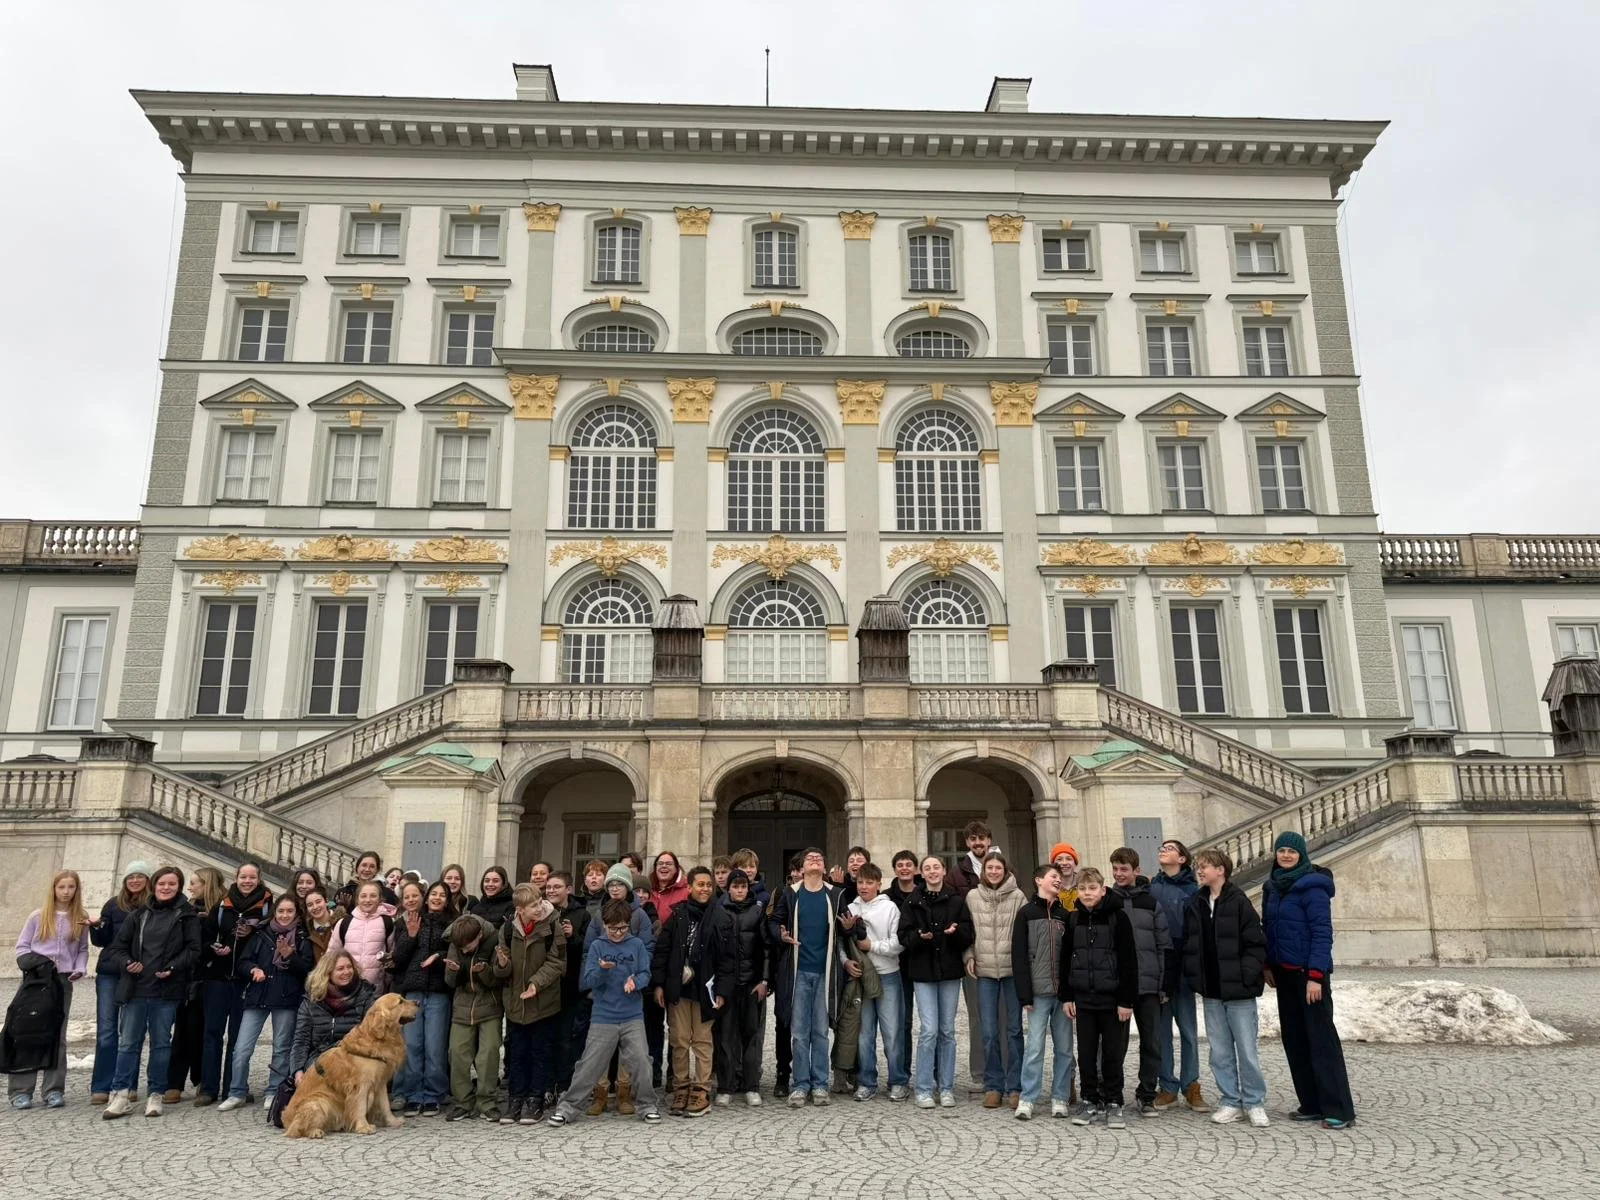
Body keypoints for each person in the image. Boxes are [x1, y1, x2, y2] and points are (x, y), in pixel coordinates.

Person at [1262, 831, 1355, 1130]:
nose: (1286, 855)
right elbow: (1268, 928)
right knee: (1295, 1040)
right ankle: (1311, 1103)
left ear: (1301, 855)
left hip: (1309, 976)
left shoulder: (1314, 888)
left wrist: (1316, 976)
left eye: (1292, 851)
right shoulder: (1272, 887)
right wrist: (1268, 964)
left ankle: (1338, 1108)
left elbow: (1322, 933)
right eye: (1282, 850)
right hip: (1284, 974)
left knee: (1321, 1040)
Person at [547, 899, 661, 1126]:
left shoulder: (637, 945)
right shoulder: (597, 946)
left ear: (628, 924)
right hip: (603, 1016)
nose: (618, 933)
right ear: (605, 925)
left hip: (632, 1015)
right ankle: (568, 1108)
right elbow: (588, 980)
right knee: (589, 1065)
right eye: (613, 928)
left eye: (623, 928)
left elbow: (645, 973)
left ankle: (647, 1106)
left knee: (641, 1061)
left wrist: (635, 982)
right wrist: (601, 970)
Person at [101, 865, 201, 1119]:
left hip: (166, 989)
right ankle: (121, 1093)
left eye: (172, 884)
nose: (166, 888)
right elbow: (117, 948)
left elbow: (193, 950)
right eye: (161, 883)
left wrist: (173, 967)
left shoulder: (186, 915)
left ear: (178, 887)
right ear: (154, 885)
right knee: (128, 1043)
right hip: (136, 988)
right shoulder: (139, 914)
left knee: (161, 1044)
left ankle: (156, 1093)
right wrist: (127, 963)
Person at [1184, 849, 1269, 1128]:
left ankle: (1254, 1102)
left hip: (1239, 991)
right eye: (1198, 866)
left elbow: (1256, 944)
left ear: (1221, 870)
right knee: (1219, 1052)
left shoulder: (1239, 901)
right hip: (1211, 990)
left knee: (1247, 1051)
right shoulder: (1195, 903)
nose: (1199, 870)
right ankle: (1231, 1100)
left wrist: (1245, 975)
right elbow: (1190, 944)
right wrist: (1196, 977)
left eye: (1205, 866)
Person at [1061, 867, 1137, 1130]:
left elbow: (1129, 960)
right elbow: (1065, 959)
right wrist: (1066, 996)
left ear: (1102, 890)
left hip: (1113, 1000)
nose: (1087, 893)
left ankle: (1114, 1101)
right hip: (1084, 999)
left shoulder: (1118, 918)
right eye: (1082, 889)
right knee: (1086, 1054)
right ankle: (1089, 1099)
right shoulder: (1073, 919)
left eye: (1092, 888)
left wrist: (1126, 1000)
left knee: (1112, 1054)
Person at [222, 894, 313, 1110]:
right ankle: (237, 1091)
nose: (285, 915)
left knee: (281, 1047)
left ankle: (274, 1090)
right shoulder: (261, 932)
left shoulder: (302, 936)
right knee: (242, 1048)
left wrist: (290, 956)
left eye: (289, 911)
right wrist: (253, 969)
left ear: (296, 914)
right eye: (281, 911)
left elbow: (308, 970)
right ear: (275, 912)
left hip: (286, 997)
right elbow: (243, 962)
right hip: (258, 994)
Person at [8, 870, 90, 1109]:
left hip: (62, 981)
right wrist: (39, 964)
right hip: (36, 980)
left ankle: (53, 1089)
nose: (66, 892)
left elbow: (82, 949)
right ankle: (21, 1090)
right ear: (53, 889)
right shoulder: (38, 916)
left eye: (71, 887)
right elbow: (22, 948)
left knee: (58, 1035)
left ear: (76, 890)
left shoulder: (80, 917)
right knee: (28, 1032)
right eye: (61, 887)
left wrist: (79, 968)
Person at [769, 848, 843, 1108]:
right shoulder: (790, 893)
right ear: (801, 869)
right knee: (800, 1033)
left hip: (825, 972)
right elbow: (773, 922)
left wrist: (851, 927)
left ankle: (820, 1084)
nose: (815, 860)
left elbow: (847, 928)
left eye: (819, 858)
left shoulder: (835, 894)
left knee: (820, 1032)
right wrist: (781, 935)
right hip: (798, 972)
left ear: (824, 868)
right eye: (810, 858)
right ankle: (800, 1085)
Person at [902, 854, 974, 1109]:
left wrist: (955, 934)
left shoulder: (957, 900)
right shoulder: (912, 901)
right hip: (923, 971)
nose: (932, 871)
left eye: (936, 867)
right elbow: (903, 936)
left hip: (949, 971)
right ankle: (923, 1088)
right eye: (928, 868)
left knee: (947, 1031)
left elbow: (968, 934)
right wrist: (919, 937)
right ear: (922, 873)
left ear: (943, 871)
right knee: (929, 1030)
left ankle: (946, 1087)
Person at [199, 861, 273, 1106]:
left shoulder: (268, 907)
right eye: (243, 877)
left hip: (247, 980)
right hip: (218, 977)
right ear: (236, 878)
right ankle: (208, 1088)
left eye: (252, 877)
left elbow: (270, 940)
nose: (247, 881)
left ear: (259, 879)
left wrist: (251, 934)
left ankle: (234, 1087)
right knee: (212, 1034)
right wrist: (214, 948)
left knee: (238, 1038)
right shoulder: (222, 905)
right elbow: (205, 938)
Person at [1109, 846, 1173, 1118]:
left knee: (1152, 1043)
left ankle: (1146, 1094)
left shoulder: (1150, 903)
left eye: (1124, 869)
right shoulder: (1107, 901)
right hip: (1118, 986)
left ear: (1136, 870)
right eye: (1115, 869)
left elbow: (1163, 945)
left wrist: (1164, 984)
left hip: (1148, 984)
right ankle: (1113, 1094)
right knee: (1115, 1045)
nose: (1119, 874)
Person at [652, 866, 720, 1117]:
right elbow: (662, 951)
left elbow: (727, 957)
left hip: (705, 989)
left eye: (708, 885)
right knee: (679, 1039)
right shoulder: (677, 915)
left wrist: (723, 990)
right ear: (689, 887)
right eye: (700, 884)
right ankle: (681, 1086)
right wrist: (659, 984)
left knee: (702, 1040)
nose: (705, 889)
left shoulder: (719, 916)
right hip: (678, 988)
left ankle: (701, 1089)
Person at [1012, 864, 1074, 1121]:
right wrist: (1024, 994)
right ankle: (1028, 1098)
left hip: (1062, 994)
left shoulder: (1066, 915)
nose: (1058, 880)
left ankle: (1060, 1097)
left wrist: (1070, 993)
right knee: (1035, 1047)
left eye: (1059, 877)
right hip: (1037, 993)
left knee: (1065, 1049)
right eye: (1053, 876)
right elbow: (1018, 955)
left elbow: (1071, 956)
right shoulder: (1025, 913)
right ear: (1039, 880)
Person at [501, 883, 566, 1125]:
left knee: (540, 1052)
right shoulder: (508, 928)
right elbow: (503, 968)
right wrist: (502, 964)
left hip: (543, 1001)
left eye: (539, 903)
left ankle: (535, 1099)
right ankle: (515, 1099)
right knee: (517, 1053)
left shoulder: (552, 924)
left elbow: (557, 962)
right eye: (533, 906)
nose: (538, 908)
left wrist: (536, 983)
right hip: (516, 1003)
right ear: (520, 910)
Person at [1149, 839, 1206, 1112]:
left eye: (1170, 848)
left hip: (1183, 968)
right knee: (1162, 1033)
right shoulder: (1152, 887)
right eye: (1162, 847)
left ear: (1182, 858)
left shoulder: (1194, 889)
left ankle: (1191, 1084)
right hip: (1160, 968)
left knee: (1188, 1031)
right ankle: (1167, 1086)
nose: (1163, 850)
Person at [965, 850, 1025, 1108]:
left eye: (998, 868)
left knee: (1014, 1030)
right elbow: (967, 931)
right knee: (988, 1031)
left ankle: (1015, 1085)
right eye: (989, 868)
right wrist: (969, 954)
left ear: (1005, 870)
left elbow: (1024, 933)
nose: (993, 872)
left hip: (1012, 971)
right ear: (983, 871)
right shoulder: (972, 896)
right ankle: (993, 1085)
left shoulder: (1018, 896)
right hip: (985, 971)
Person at [390, 880, 452, 1117]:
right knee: (413, 1045)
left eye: (442, 895)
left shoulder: (452, 923)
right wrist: (411, 936)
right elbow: (399, 958)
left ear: (447, 900)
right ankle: (413, 1093)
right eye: (434, 894)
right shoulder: (411, 920)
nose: (437, 898)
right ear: (427, 898)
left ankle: (434, 1094)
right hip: (413, 990)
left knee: (434, 1046)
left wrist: (439, 956)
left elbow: (454, 952)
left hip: (438, 991)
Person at [89, 861, 149, 1105]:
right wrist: (96, 928)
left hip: (137, 972)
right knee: (106, 1031)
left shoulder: (152, 905)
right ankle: (102, 1086)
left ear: (148, 880)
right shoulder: (113, 904)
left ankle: (128, 1083)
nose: (135, 880)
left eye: (140, 876)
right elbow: (101, 941)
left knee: (132, 1032)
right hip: (110, 971)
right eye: (131, 876)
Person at [844, 862, 905, 1102]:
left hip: (887, 974)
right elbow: (842, 943)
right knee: (864, 1034)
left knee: (892, 1032)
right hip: (861, 978)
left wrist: (872, 946)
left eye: (869, 882)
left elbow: (898, 943)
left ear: (879, 885)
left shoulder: (890, 908)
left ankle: (898, 1081)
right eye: (860, 882)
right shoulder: (850, 908)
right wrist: (846, 962)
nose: (864, 886)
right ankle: (866, 1082)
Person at [164, 866, 223, 1105]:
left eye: (194, 883)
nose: (189, 888)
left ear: (206, 885)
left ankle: (200, 1079)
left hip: (207, 976)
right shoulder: (185, 910)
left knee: (201, 1031)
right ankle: (174, 1083)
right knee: (181, 1031)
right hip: (184, 976)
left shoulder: (219, 911)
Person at [444, 911, 509, 1121]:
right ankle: (463, 1102)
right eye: (461, 947)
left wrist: (485, 971)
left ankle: (487, 1101)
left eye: (468, 946)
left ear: (479, 935)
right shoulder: (456, 940)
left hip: (489, 1005)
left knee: (489, 1053)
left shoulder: (495, 938)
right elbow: (450, 982)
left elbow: (498, 979)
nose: (464, 950)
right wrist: (453, 971)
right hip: (462, 1005)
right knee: (457, 1053)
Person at [711, 868, 769, 1105]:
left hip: (751, 984)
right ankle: (725, 1086)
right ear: (728, 889)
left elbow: (766, 949)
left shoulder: (757, 910)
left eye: (743, 886)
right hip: (726, 985)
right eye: (735, 886)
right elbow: (713, 950)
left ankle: (751, 1085)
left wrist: (764, 980)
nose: (739, 890)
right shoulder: (718, 911)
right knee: (725, 1037)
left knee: (751, 1036)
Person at [290, 950, 377, 1084]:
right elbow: (301, 1040)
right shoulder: (311, 1000)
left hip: (355, 1057)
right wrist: (298, 1071)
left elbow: (372, 1034)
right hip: (320, 1059)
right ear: (328, 972)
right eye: (340, 969)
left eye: (349, 967)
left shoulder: (366, 995)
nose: (346, 972)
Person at [545, 872, 592, 1098]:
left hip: (571, 988)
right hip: (547, 987)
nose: (551, 890)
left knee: (567, 1040)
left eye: (556, 887)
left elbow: (588, 950)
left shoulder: (582, 915)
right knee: (547, 1039)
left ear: (568, 889)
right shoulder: (542, 912)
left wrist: (572, 936)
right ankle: (547, 1086)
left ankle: (565, 1085)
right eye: (549, 887)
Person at [646, 851, 689, 1089]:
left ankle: (675, 1075)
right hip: (650, 963)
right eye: (660, 863)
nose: (663, 867)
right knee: (652, 1025)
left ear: (676, 867)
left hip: (675, 964)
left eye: (668, 864)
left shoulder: (685, 891)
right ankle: (652, 1073)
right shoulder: (646, 891)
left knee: (676, 1027)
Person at [886, 849, 922, 1078]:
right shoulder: (886, 897)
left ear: (915, 868)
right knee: (902, 1021)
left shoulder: (925, 892)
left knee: (931, 1025)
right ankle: (903, 1072)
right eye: (900, 865)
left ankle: (933, 1074)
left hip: (924, 961)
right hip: (899, 964)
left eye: (908, 864)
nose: (904, 868)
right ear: (895, 869)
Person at [327, 880, 394, 988]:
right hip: (347, 986)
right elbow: (331, 954)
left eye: (373, 896)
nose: (368, 900)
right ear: (357, 899)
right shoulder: (344, 923)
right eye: (363, 896)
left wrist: (387, 983)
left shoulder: (387, 923)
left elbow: (391, 955)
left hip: (375, 988)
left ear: (380, 899)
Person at [303, 888, 339, 959]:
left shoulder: (342, 922)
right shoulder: (306, 929)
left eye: (318, 902)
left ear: (326, 901)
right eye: (310, 905)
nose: (315, 907)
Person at [1050, 843, 1081, 912]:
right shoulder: (1048, 888)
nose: (1064, 863)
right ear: (1053, 865)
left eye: (1069, 859)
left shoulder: (1085, 884)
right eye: (1059, 859)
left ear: (1075, 864)